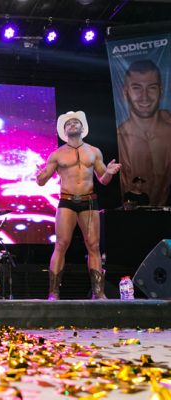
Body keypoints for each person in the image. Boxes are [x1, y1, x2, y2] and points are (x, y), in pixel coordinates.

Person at [36, 111, 122, 300]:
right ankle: (53, 293)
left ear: (83, 128)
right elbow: (42, 181)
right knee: (61, 244)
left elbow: (103, 180)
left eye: (76, 122)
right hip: (66, 201)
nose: (73, 125)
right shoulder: (57, 154)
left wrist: (109, 172)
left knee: (94, 246)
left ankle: (98, 293)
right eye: (69, 123)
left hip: (89, 201)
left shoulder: (94, 151)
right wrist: (40, 176)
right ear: (64, 131)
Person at [117, 59, 171, 206]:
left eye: (152, 88)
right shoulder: (120, 138)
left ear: (161, 91)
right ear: (125, 92)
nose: (144, 96)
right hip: (137, 215)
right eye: (136, 88)